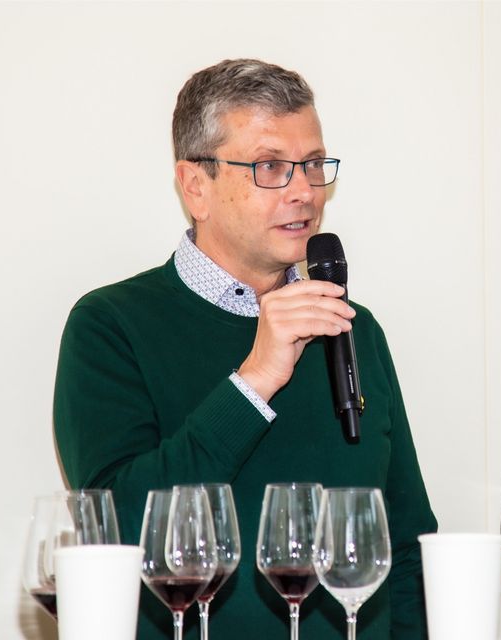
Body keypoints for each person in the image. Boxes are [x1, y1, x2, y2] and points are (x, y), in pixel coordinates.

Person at [54, 58, 437, 640]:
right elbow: (115, 536)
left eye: (313, 165)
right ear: (196, 187)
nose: (304, 192)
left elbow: (406, 549)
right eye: (270, 167)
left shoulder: (354, 329)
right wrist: (254, 380)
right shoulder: (109, 326)